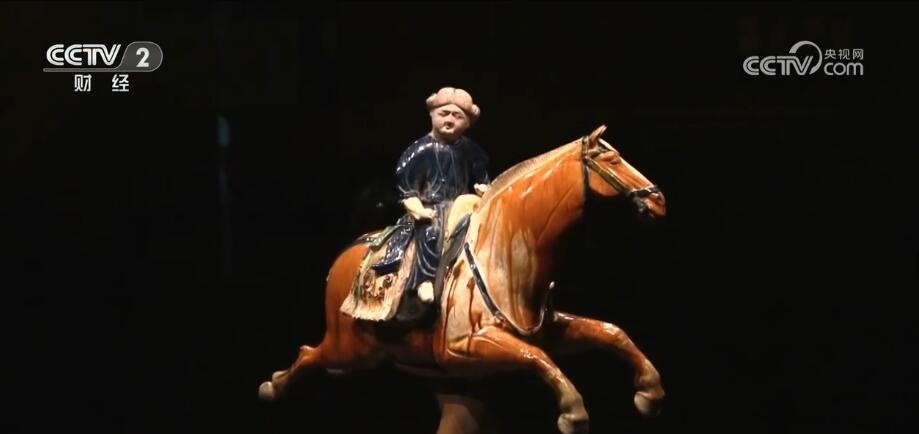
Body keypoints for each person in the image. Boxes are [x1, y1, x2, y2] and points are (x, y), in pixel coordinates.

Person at [372, 87, 490, 320]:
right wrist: (416, 207)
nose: (449, 120)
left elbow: (481, 178)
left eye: (457, 116)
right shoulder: (420, 151)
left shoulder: (471, 151)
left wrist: (483, 188)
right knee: (431, 231)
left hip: (463, 206)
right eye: (444, 113)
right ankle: (424, 279)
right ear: (432, 114)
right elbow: (407, 189)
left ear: (467, 123)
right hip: (431, 208)